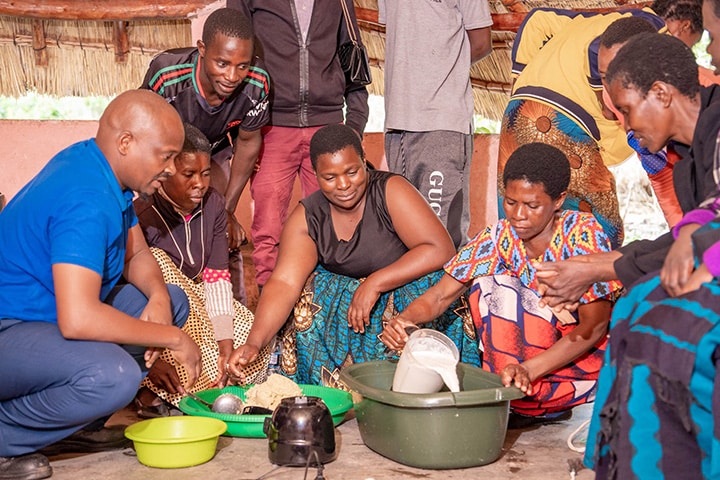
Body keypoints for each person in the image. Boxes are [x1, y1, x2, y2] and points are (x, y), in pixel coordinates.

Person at [0, 90, 202, 480]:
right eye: (166, 156)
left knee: (171, 302)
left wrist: (159, 297)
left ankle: (77, 424)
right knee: (112, 377)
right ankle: (7, 436)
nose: (171, 168)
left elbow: (137, 255)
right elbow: (77, 319)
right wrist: (173, 339)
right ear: (126, 143)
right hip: (11, 331)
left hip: (46, 316)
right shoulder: (87, 199)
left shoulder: (99, 165)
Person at [381, 143, 622, 423]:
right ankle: (518, 400)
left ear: (558, 200)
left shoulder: (582, 235)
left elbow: (595, 326)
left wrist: (530, 369)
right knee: (486, 283)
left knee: (503, 288)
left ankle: (538, 398)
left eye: (532, 205)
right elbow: (440, 296)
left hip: (577, 362)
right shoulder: (500, 237)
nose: (518, 215)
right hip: (518, 372)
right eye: (510, 202)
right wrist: (404, 321)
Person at [226, 124, 479, 386]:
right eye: (330, 177)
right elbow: (284, 283)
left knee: (435, 281)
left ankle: (420, 383)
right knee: (308, 294)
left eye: (352, 171)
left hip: (407, 308)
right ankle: (332, 389)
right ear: (315, 175)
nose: (344, 184)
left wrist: (375, 283)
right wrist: (254, 342)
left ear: (363, 162)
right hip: (348, 318)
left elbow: (440, 249)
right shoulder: (308, 217)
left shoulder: (390, 190)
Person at [536, 32, 720, 309]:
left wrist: (593, 268)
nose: (625, 126)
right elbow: (685, 243)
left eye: (626, 109)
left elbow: (704, 235)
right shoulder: (686, 161)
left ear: (660, 93)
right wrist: (589, 265)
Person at [497, 1, 702, 249]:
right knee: (597, 224)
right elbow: (597, 49)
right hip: (561, 121)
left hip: (517, 113)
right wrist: (606, 99)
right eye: (690, 43)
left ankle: (524, 282)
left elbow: (537, 19)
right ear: (684, 26)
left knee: (525, 219)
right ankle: (597, 284)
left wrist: (521, 80)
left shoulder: (590, 22)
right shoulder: (652, 29)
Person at [228, 0, 370, 290]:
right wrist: (240, 132)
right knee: (268, 229)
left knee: (333, 223)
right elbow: (236, 53)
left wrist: (354, 126)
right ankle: (273, 310)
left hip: (327, 125)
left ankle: (326, 302)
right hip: (270, 126)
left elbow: (352, 54)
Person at [132, 123, 271, 417]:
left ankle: (208, 382)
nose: (200, 183)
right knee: (156, 261)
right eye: (188, 175)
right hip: (164, 308)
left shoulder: (215, 205)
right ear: (166, 172)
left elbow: (217, 277)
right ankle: (155, 390)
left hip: (202, 296)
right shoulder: (142, 212)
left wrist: (225, 345)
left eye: (206, 173)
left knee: (248, 333)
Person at [141, 7, 270, 303]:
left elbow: (248, 144)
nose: (232, 76)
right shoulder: (166, 76)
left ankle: (229, 308)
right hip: (168, 153)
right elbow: (144, 139)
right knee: (163, 230)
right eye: (222, 63)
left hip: (216, 149)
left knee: (222, 230)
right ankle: (169, 300)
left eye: (242, 65)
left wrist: (227, 209)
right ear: (201, 49)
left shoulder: (257, 82)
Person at [379, 0, 492, 249]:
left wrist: (440, 72)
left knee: (442, 235)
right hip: (397, 122)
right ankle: (415, 290)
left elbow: (482, 42)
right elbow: (402, 36)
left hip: (442, 121)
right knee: (402, 232)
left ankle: (450, 288)